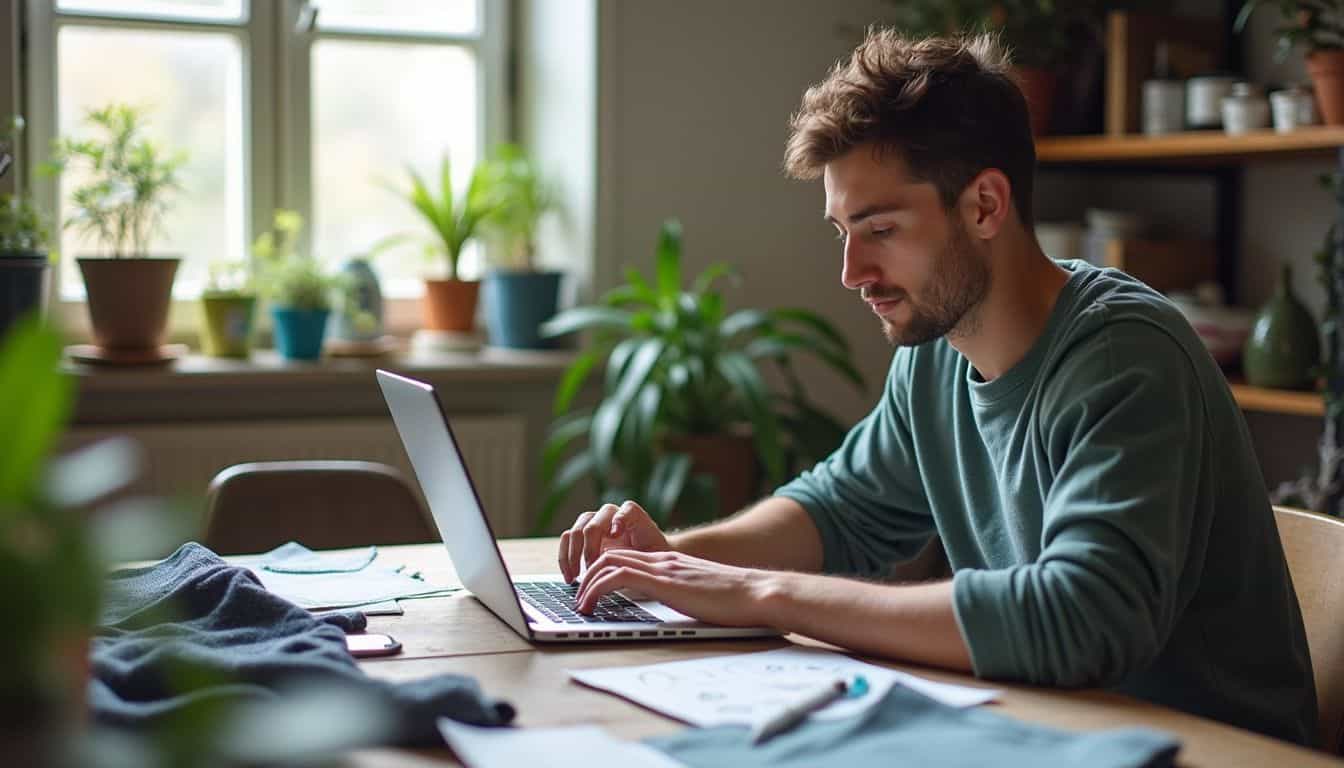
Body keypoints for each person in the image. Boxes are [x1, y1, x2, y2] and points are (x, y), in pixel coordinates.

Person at [558, 30, 1317, 746]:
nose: (851, 272)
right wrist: (668, 567)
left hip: (1208, 751)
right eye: (841, 231)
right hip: (1053, 731)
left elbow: (1079, 618)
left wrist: (759, 593)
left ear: (985, 205)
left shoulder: (1125, 357)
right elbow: (839, 510)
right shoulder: (937, 349)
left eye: (881, 229)